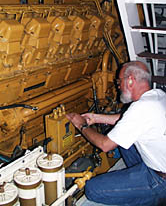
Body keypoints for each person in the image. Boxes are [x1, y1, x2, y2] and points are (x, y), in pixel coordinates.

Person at [66, 61, 166, 206]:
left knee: (92, 189)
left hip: (159, 180)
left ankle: (152, 199)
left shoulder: (140, 109)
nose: (118, 86)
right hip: (158, 163)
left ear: (130, 80)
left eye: (119, 81)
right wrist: (95, 118)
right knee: (124, 143)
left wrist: (80, 125)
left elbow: (104, 145)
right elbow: (127, 120)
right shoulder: (158, 95)